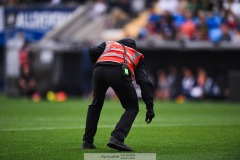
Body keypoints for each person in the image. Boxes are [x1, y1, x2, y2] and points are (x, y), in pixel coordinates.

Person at [82, 38, 155, 151]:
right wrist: (149, 107)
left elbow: (91, 51)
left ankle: (87, 141)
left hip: (99, 70)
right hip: (119, 71)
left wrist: (97, 65)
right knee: (132, 107)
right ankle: (117, 138)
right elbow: (144, 81)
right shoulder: (136, 54)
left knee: (96, 104)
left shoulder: (110, 44)